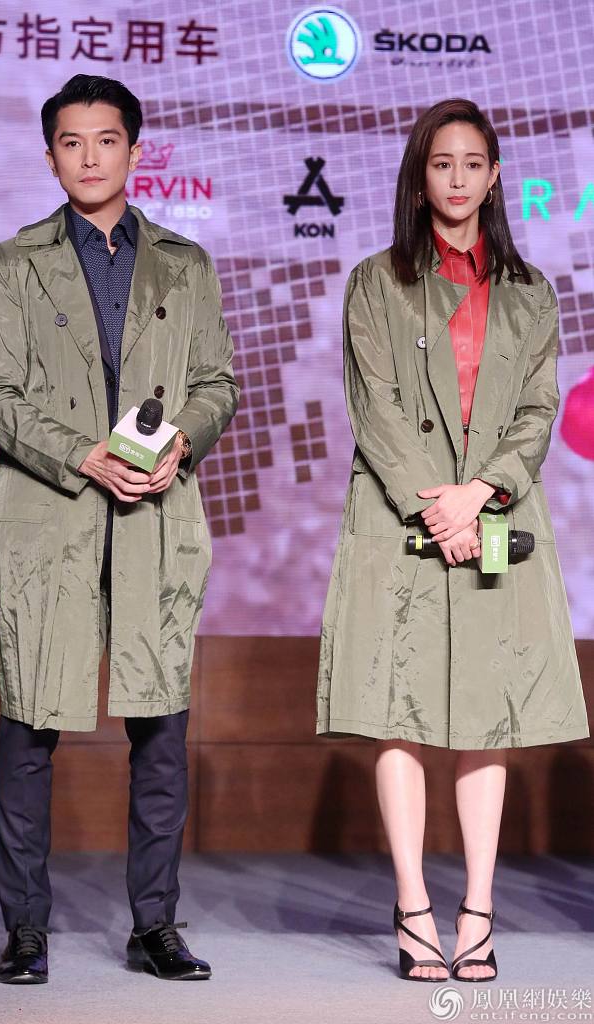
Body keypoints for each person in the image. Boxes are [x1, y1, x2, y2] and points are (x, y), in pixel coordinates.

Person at [0, 74, 239, 984]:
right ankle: (25, 929)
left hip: (155, 513)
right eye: (71, 143)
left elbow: (217, 383)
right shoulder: (14, 263)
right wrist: (80, 453)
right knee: (29, 727)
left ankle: (155, 925)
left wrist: (182, 442)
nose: (90, 157)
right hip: (50, 515)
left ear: (135, 150)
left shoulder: (185, 264)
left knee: (160, 729)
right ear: (50, 156)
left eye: (107, 140)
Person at [316, 98, 589, 983]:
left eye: (473, 163)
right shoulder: (375, 281)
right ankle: (411, 906)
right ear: (418, 178)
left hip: (495, 515)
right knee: (396, 707)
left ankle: (476, 910)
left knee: (486, 712)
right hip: (402, 518)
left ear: (495, 176)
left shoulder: (529, 291)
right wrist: (438, 507)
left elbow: (538, 409)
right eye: (441, 164)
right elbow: (374, 408)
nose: (458, 178)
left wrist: (480, 493)